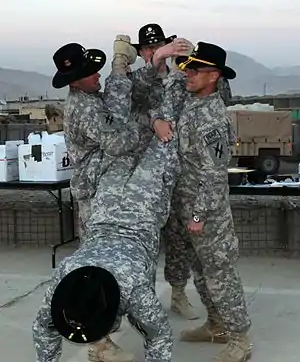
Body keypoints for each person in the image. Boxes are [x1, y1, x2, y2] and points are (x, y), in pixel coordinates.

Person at [32, 100, 181, 362]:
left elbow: (159, 336)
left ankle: (169, 80)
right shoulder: (65, 278)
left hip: (141, 207)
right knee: (125, 150)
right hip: (106, 207)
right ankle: (154, 85)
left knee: (166, 139)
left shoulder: (133, 289)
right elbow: (42, 328)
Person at [152, 41, 252, 362]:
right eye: (187, 67)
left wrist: (197, 217)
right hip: (187, 209)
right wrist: (163, 57)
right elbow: (167, 90)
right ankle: (216, 323)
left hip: (207, 215)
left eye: (195, 70)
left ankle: (239, 339)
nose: (187, 74)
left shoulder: (212, 120)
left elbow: (213, 175)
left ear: (214, 76)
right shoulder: (191, 102)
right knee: (201, 271)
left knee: (221, 275)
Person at [51, 37, 142, 362]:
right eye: (91, 73)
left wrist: (122, 68)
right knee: (95, 268)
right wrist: (147, 127)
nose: (97, 76)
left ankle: (101, 331)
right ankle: (98, 344)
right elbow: (117, 141)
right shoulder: (84, 108)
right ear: (74, 80)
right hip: (94, 198)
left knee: (105, 267)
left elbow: (115, 108)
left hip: (103, 193)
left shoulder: (91, 98)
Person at [130, 24, 198, 320]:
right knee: (142, 238)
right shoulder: (136, 81)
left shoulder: (183, 77)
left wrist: (192, 59)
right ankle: (139, 300)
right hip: (145, 175)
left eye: (158, 46)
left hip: (178, 170)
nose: (152, 52)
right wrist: (152, 120)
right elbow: (126, 111)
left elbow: (213, 96)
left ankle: (179, 293)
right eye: (147, 48)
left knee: (179, 236)